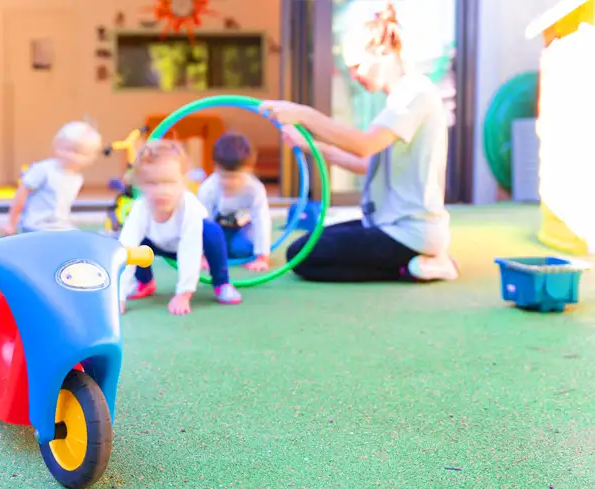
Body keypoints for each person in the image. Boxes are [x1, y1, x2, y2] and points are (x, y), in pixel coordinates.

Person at [260, 2, 458, 282]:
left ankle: (419, 263)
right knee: (308, 244)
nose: (354, 76)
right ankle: (414, 262)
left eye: (357, 66)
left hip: (409, 232)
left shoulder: (414, 93)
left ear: (382, 51)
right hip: (387, 224)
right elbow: (366, 163)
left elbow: (365, 144)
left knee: (302, 254)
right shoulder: (398, 99)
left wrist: (304, 114)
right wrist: (308, 146)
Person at [118, 139, 242, 315]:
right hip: (157, 244)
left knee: (212, 232)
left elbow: (190, 250)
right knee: (133, 243)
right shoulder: (140, 208)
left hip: (193, 243)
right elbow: (126, 250)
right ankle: (145, 282)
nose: (162, 191)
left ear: (183, 182)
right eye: (152, 183)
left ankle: (221, 282)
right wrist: (119, 297)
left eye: (169, 182)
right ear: (140, 185)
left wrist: (183, 294)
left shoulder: (189, 207)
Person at [2, 121, 102, 234]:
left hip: (59, 226)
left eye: (80, 153)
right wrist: (11, 223)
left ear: (91, 158)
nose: (72, 156)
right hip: (36, 225)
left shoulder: (77, 179)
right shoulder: (44, 169)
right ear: (57, 145)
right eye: (68, 149)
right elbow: (22, 193)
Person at [197, 132, 272, 272]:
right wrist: (202, 255)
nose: (229, 182)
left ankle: (231, 248)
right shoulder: (208, 188)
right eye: (224, 176)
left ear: (249, 170)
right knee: (214, 244)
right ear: (215, 168)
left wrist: (262, 257)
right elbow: (202, 223)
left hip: (243, 227)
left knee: (240, 247)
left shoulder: (254, 189)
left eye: (235, 177)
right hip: (218, 228)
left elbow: (261, 220)